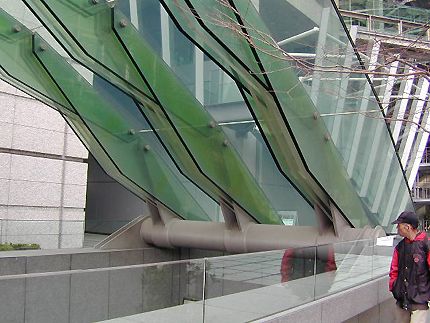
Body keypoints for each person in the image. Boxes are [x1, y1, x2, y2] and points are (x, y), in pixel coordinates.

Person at [389, 211, 430, 323]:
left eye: (399, 225)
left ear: (407, 227)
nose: (397, 227)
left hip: (420, 302)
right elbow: (394, 270)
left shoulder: (426, 244)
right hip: (402, 301)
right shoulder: (400, 247)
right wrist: (394, 287)